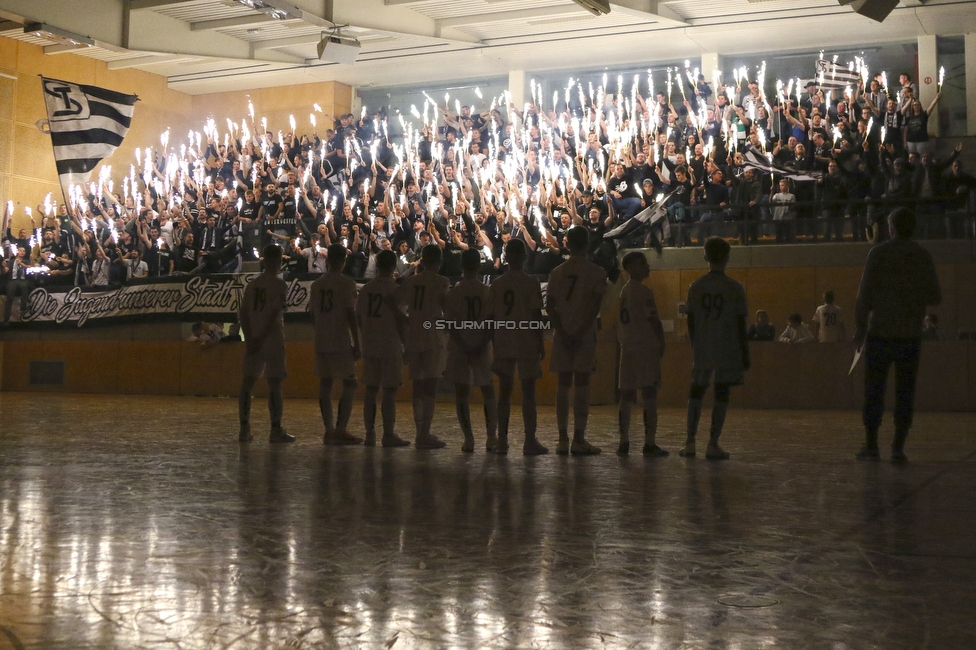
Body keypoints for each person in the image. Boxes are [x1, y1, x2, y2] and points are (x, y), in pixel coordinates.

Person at [854, 208, 941, 462]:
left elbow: (864, 295)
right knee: (905, 392)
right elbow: (936, 296)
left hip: (880, 332)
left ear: (891, 227)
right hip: (910, 334)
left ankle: (871, 446)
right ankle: (898, 448)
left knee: (873, 391)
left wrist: (860, 327)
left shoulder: (878, 253)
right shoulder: (922, 256)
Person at [681, 237, 750, 460]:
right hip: (727, 345)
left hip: (703, 344)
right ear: (728, 258)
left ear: (705, 256)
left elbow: (690, 321)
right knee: (722, 391)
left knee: (697, 389)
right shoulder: (735, 288)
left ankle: (690, 441)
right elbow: (741, 324)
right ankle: (713, 442)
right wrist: (744, 352)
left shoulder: (696, 286)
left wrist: (695, 344)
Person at [546, 226, 608, 456]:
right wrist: (580, 331)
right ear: (588, 243)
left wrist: (563, 332)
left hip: (563, 335)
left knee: (563, 385)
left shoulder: (557, 272)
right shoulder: (597, 272)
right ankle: (579, 439)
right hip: (584, 335)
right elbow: (594, 307)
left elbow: (550, 307)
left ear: (567, 243)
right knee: (582, 384)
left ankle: (562, 439)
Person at [487, 239, 547, 455]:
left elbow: (491, 318)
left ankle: (502, 440)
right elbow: (535, 316)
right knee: (528, 393)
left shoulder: (497, 284)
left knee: (504, 392)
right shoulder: (531, 282)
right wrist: (540, 343)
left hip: (504, 339)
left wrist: (495, 342)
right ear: (523, 257)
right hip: (526, 339)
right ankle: (529, 440)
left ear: (506, 257)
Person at [396, 244, 451, 449]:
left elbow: (394, 303)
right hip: (432, 336)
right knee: (430, 385)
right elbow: (446, 309)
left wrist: (408, 321)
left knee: (417, 385)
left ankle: (420, 431)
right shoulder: (441, 281)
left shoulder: (411, 281)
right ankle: (424, 433)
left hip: (414, 335)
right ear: (439, 262)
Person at [238, 244, 293, 443]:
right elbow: (273, 313)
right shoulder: (280, 285)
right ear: (278, 261)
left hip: (253, 338)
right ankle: (275, 428)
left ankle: (244, 428)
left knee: (247, 384)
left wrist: (250, 336)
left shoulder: (252, 284)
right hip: (272, 337)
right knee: (275, 384)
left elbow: (243, 313)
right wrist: (261, 336)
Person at [444, 248, 497, 452]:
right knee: (488, 390)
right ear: (479, 266)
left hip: (460, 347)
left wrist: (463, 344)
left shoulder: (455, 291)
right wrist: (481, 343)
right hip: (481, 345)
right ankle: (491, 437)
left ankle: (469, 438)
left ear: (461, 266)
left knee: (461, 393)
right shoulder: (486, 290)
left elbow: (450, 323)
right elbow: (492, 322)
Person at [309, 244, 362, 445]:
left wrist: (320, 332)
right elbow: (351, 315)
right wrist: (356, 341)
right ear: (344, 261)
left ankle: (329, 429)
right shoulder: (347, 283)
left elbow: (313, 314)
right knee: (350, 383)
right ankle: (340, 429)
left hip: (322, 339)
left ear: (328, 259)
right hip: (340, 339)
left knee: (325, 384)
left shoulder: (317, 284)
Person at [357, 249, 411, 448]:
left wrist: (366, 335)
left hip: (371, 343)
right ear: (394, 265)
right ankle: (388, 433)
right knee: (389, 391)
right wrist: (405, 344)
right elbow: (400, 321)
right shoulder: (396, 289)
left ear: (377, 265)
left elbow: (359, 316)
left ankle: (370, 433)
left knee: (370, 390)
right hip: (390, 343)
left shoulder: (366, 288)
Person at [616, 251, 667, 457]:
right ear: (631, 268)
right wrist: (661, 341)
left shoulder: (623, 292)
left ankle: (623, 440)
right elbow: (654, 320)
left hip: (627, 347)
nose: (647, 266)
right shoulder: (644, 291)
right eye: (642, 263)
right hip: (645, 347)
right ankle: (649, 442)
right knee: (649, 393)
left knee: (626, 394)